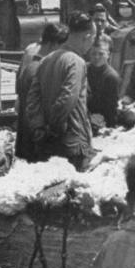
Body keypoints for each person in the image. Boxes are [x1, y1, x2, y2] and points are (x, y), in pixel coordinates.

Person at [28, 13, 94, 170]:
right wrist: (53, 127)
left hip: (46, 142)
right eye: (93, 38)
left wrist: (40, 128)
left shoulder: (46, 59)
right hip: (71, 141)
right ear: (87, 36)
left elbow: (33, 98)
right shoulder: (76, 62)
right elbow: (68, 98)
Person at [15, 22, 68, 162]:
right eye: (62, 48)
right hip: (36, 143)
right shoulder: (39, 70)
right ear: (52, 45)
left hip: (29, 140)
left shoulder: (32, 66)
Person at [86, 36, 121, 129]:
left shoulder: (111, 76)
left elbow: (111, 107)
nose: (96, 57)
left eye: (101, 54)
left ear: (108, 54)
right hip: (84, 114)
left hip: (101, 118)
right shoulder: (84, 69)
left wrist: (109, 124)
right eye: (93, 53)